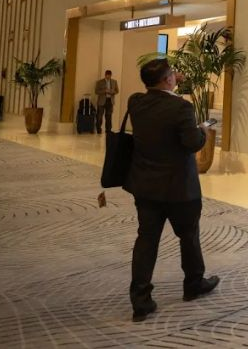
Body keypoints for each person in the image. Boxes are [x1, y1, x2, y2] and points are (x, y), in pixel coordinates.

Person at [124, 59, 220, 322]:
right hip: (180, 188)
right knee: (188, 236)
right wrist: (202, 130)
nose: (176, 77)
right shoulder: (181, 107)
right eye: (173, 75)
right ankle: (193, 284)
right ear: (167, 80)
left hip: (146, 186)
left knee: (146, 240)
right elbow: (192, 143)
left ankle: (140, 300)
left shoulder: (136, 102)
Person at [95, 69, 119, 134]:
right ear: (105, 75)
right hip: (101, 101)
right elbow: (96, 91)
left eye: (109, 75)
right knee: (99, 116)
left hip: (110, 101)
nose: (108, 77)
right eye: (107, 75)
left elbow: (117, 91)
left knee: (109, 116)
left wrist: (112, 92)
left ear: (111, 75)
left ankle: (108, 130)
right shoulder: (99, 82)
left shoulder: (114, 81)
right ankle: (98, 130)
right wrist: (105, 91)